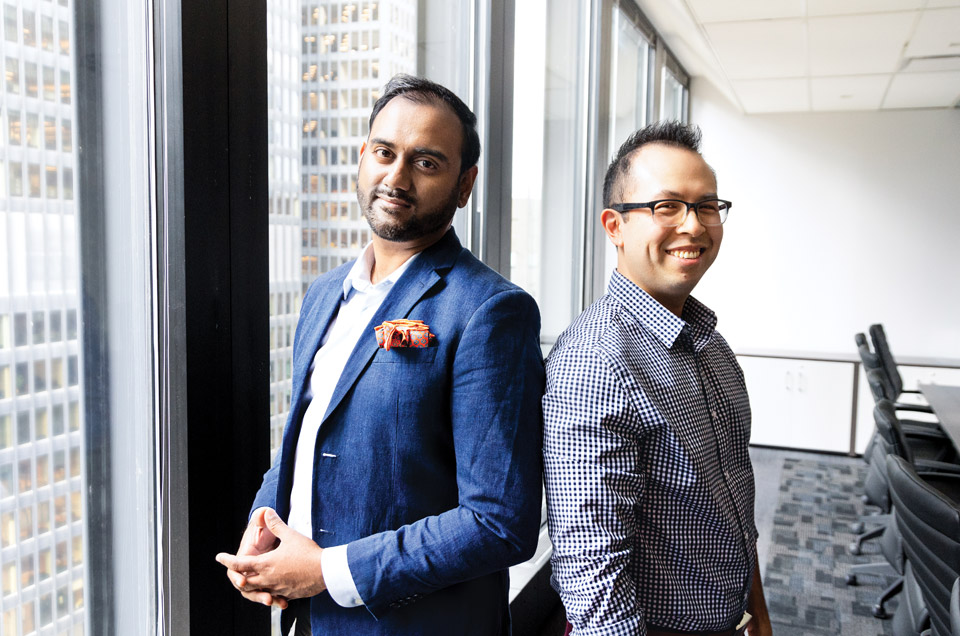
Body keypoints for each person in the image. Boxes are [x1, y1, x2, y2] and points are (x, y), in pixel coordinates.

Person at [216, 74, 544, 635]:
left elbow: (500, 523)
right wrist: (263, 523)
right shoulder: (324, 295)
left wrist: (326, 570)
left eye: (427, 162)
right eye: (385, 153)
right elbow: (310, 435)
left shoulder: (492, 310)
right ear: (362, 157)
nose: (397, 176)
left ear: (464, 185)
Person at [542, 121, 771, 636]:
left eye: (707, 206)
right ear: (615, 226)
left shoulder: (706, 341)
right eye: (666, 206)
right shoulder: (598, 361)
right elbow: (592, 573)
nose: (693, 225)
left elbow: (734, 500)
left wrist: (756, 609)